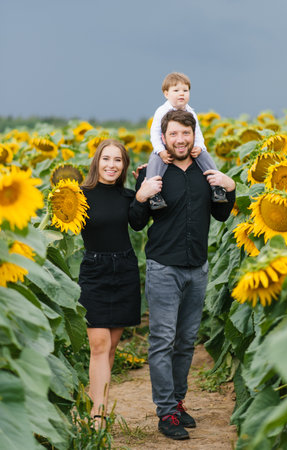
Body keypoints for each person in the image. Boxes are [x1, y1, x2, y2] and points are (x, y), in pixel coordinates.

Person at [130, 110, 236, 440]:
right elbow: (136, 221)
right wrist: (140, 195)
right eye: (173, 134)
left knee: (187, 341)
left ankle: (177, 402)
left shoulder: (207, 173)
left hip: (197, 269)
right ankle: (165, 411)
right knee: (163, 341)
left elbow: (220, 214)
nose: (180, 140)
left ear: (193, 136)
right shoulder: (152, 173)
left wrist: (230, 187)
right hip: (164, 267)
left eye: (185, 134)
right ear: (164, 138)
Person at [78, 139, 155, 429]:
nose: (111, 165)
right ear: (97, 162)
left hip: (123, 270)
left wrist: (142, 193)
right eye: (106, 159)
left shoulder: (127, 196)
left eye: (118, 160)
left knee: (110, 347)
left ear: (124, 166)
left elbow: (138, 224)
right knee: (98, 345)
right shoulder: (80, 194)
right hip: (94, 272)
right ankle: (97, 414)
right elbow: (62, 219)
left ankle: (101, 404)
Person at [147, 72, 227, 210]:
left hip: (187, 148)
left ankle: (217, 187)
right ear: (166, 94)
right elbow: (154, 133)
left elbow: (198, 133)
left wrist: (199, 146)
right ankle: (154, 195)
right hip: (164, 148)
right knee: (154, 162)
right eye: (176, 90)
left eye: (185, 90)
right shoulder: (162, 111)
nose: (181, 94)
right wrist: (160, 151)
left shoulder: (191, 112)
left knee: (205, 157)